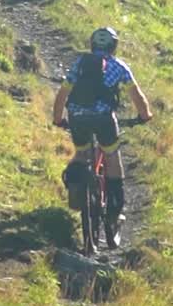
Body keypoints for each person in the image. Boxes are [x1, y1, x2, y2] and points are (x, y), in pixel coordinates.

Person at [52, 26, 152, 220]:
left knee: (81, 152)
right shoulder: (119, 66)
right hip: (103, 119)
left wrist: (58, 118)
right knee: (112, 155)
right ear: (114, 47)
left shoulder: (80, 63)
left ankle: (76, 186)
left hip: (77, 117)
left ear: (92, 44)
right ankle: (114, 209)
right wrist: (145, 115)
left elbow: (62, 93)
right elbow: (137, 96)